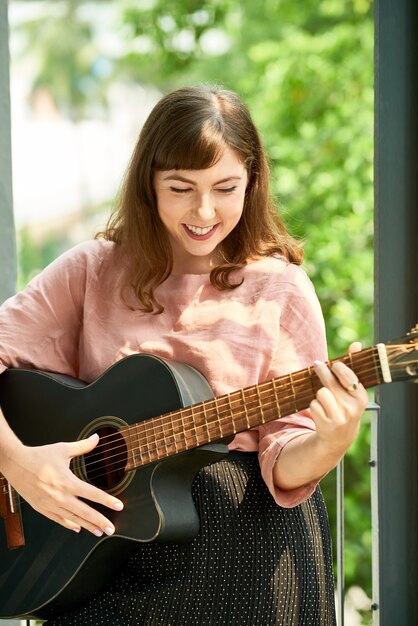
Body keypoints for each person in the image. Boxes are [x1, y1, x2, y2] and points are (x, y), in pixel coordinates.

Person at [0, 85, 368, 626]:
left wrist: (332, 440)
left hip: (248, 549)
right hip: (103, 550)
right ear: (149, 184)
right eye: (180, 187)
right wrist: (19, 462)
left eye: (226, 188)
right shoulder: (90, 271)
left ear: (253, 182)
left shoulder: (282, 288)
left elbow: (285, 458)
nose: (203, 211)